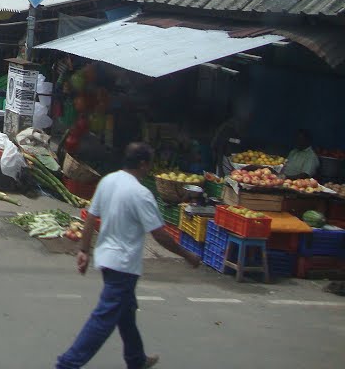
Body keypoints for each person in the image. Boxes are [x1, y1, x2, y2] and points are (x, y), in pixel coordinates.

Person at [56, 143, 201, 369]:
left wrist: (83, 250)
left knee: (126, 312)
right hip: (123, 265)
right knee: (104, 319)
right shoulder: (141, 194)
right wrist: (187, 255)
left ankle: (136, 359)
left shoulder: (108, 181)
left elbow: (91, 217)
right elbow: (160, 235)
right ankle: (68, 363)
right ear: (143, 164)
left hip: (106, 258)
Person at [211, 109, 249, 177]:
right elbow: (218, 147)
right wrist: (220, 169)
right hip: (224, 160)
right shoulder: (226, 129)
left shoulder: (244, 130)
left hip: (239, 162)